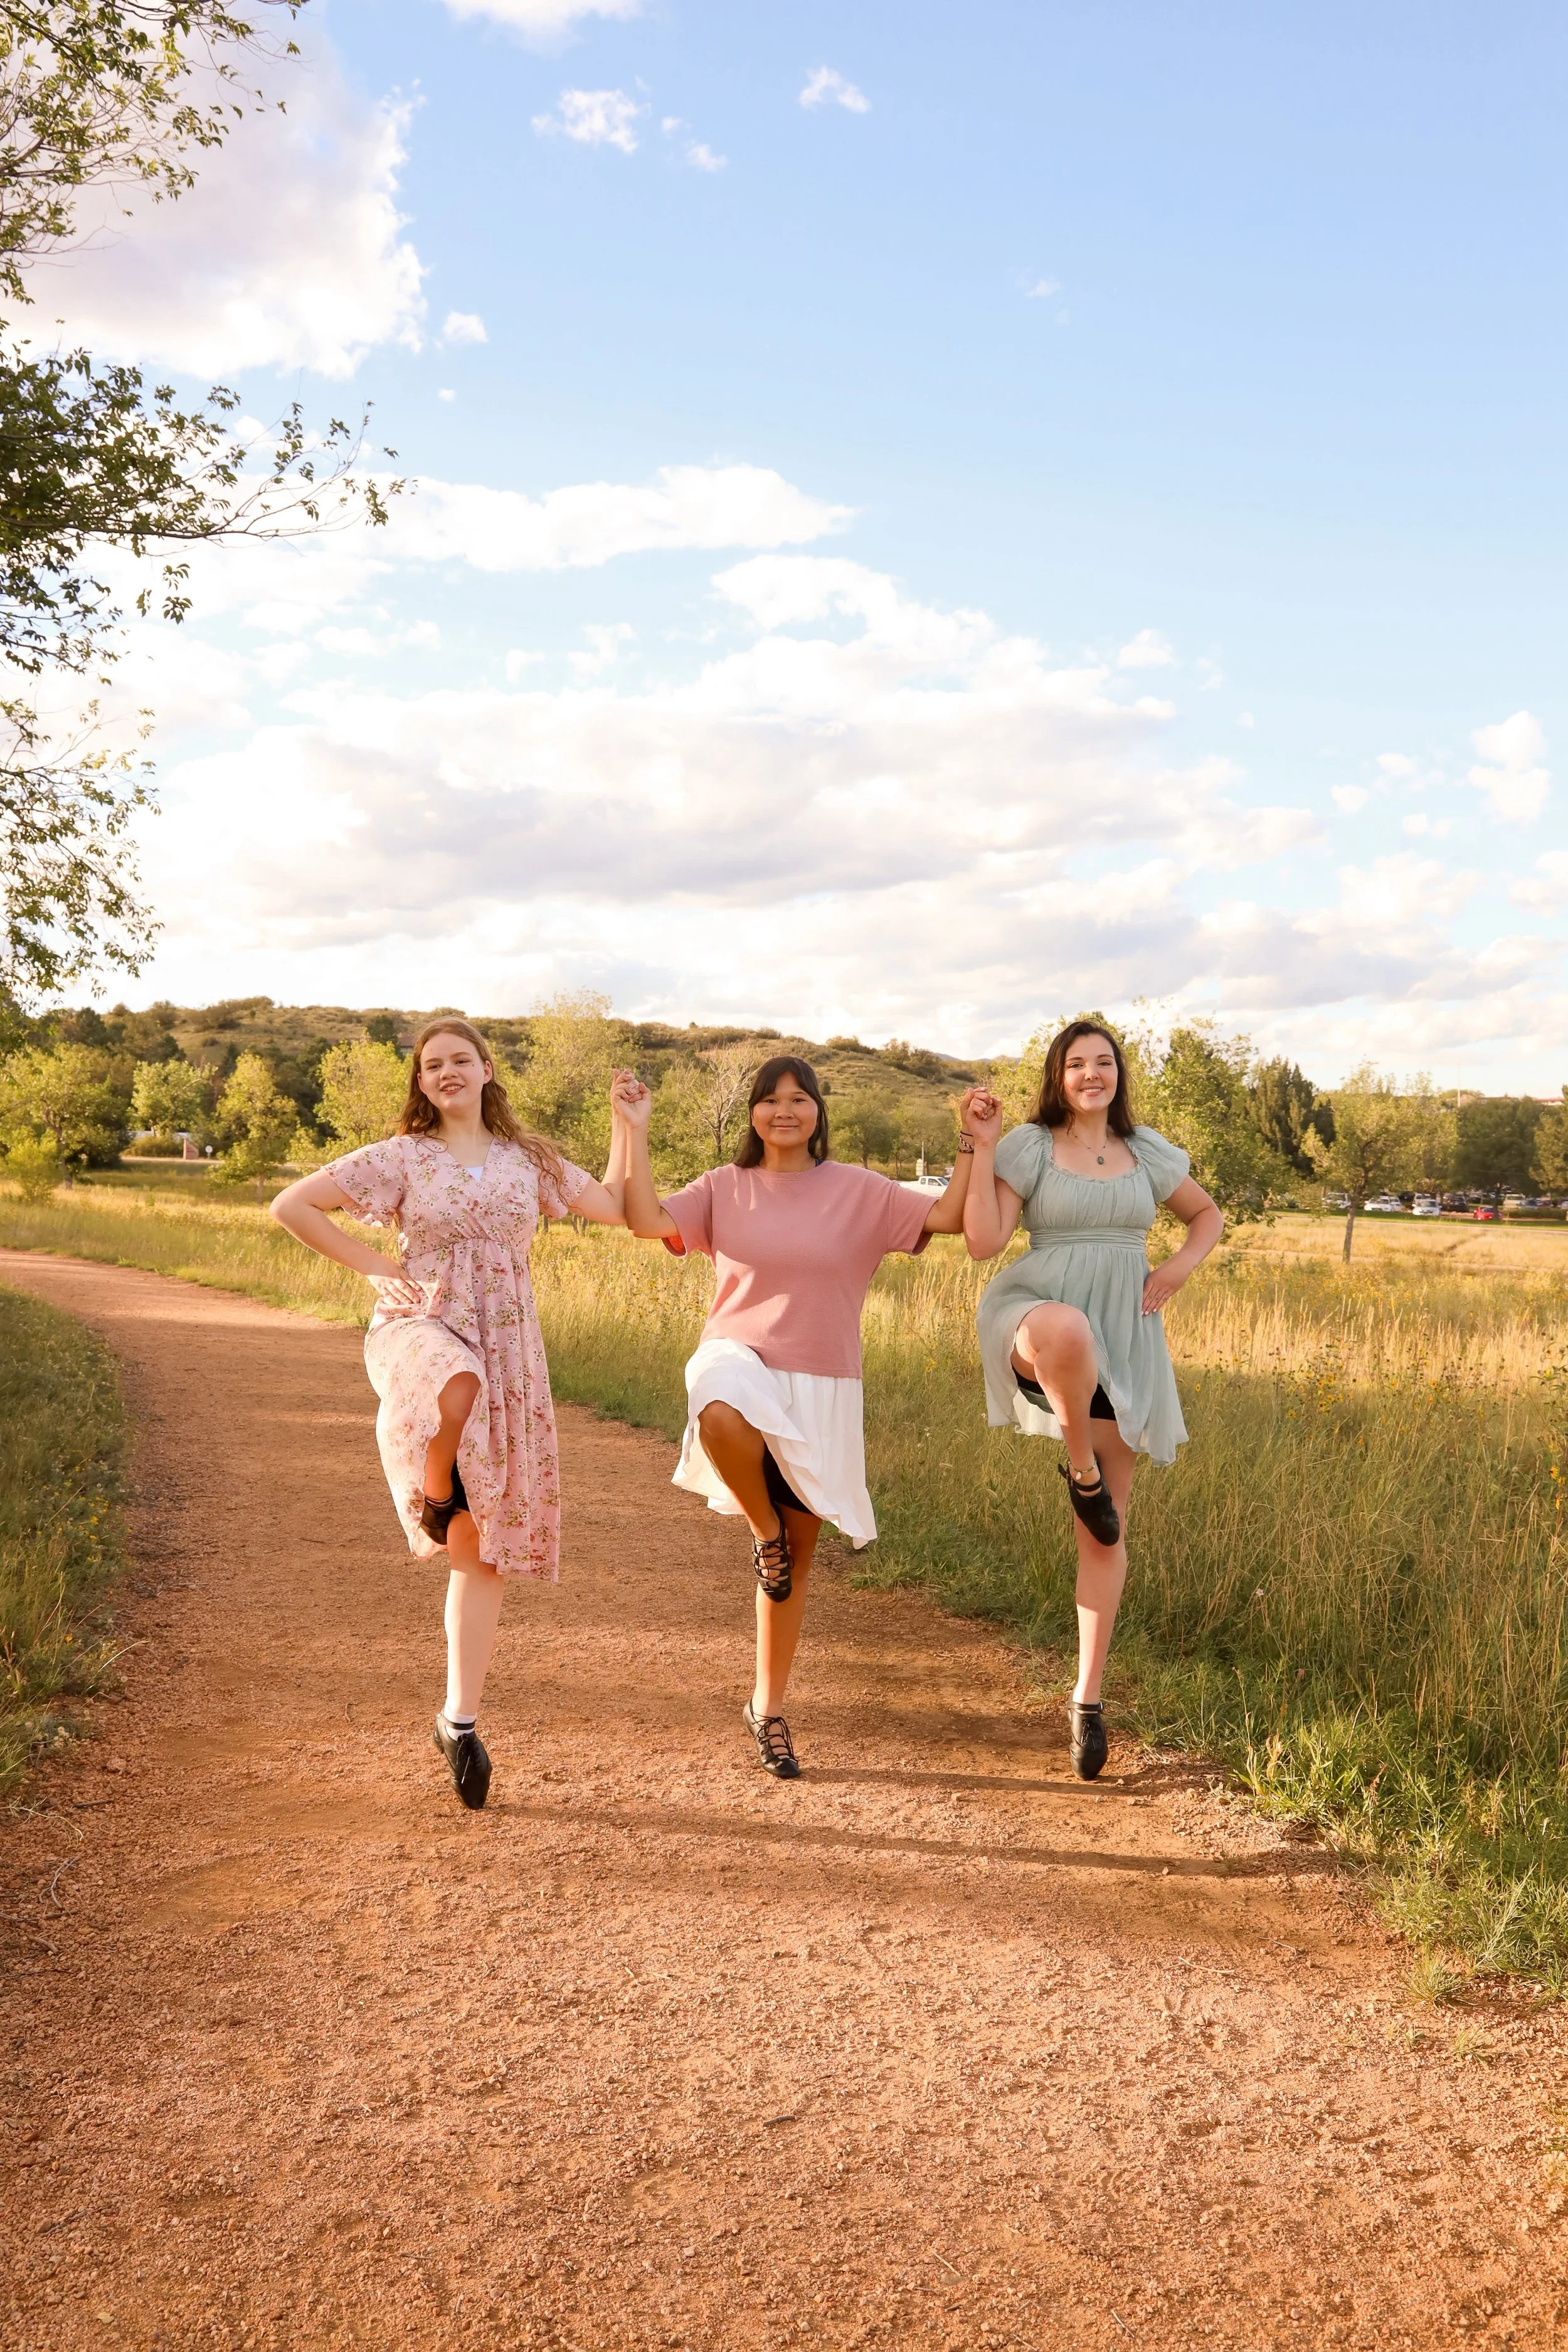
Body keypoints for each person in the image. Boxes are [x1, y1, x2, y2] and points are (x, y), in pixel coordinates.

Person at [270, 1019, 625, 1809]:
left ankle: (457, 1722)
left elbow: (620, 1207)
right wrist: (375, 1269)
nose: (446, 1072)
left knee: (482, 1552)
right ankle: (433, 1490)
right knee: (451, 1379)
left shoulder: (527, 1162)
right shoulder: (402, 1157)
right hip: (422, 1322)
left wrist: (626, 1130)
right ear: (422, 1083)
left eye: (460, 1059)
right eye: (432, 1065)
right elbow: (292, 1204)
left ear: (488, 1070)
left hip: (511, 1351)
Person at [610, 1055, 993, 1779]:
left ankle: (768, 1709)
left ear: (819, 1111)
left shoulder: (859, 1190)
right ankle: (763, 1533)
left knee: (797, 1564)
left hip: (822, 1384)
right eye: (769, 1099)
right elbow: (642, 1220)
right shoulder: (724, 1188)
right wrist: (633, 1131)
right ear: (752, 1112)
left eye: (799, 1098)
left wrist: (971, 1142)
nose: (783, 1110)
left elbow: (945, 1216)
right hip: (739, 1354)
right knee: (717, 1402)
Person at [962, 1020, 1222, 1779]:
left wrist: (1176, 1267)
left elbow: (1205, 1216)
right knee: (1066, 1330)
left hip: (1128, 1337)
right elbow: (983, 1242)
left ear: (1119, 1074)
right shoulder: (1031, 1147)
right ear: (1057, 1075)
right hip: (1037, 1316)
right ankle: (1081, 1472)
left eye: (1102, 1062)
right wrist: (981, 1145)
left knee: (1104, 1541)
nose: (1090, 1074)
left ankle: (1086, 1700)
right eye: (1075, 1064)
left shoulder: (1146, 1152)